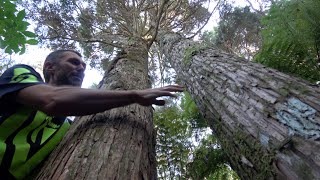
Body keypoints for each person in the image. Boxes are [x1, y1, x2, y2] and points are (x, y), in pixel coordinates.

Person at [0, 49, 183, 179]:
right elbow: (52, 100)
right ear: (50, 67)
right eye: (73, 62)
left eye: (84, 66)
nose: (81, 68)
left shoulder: (66, 127)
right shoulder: (21, 73)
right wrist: (134, 95)